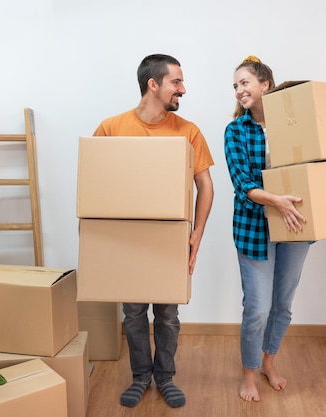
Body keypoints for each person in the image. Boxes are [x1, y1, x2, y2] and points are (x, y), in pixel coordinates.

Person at [93, 54, 214, 408]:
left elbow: (205, 186)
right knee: (132, 314)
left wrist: (197, 234)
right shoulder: (112, 128)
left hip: (169, 239)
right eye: (177, 82)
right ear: (154, 84)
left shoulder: (187, 131)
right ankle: (140, 376)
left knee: (167, 315)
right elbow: (95, 182)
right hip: (129, 239)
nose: (183, 89)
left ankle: (165, 377)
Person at [223, 56, 312, 402]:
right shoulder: (235, 131)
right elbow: (242, 183)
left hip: (296, 224)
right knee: (257, 307)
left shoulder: (293, 124)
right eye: (234, 86)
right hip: (254, 228)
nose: (239, 90)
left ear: (266, 85)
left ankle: (267, 363)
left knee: (283, 304)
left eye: (244, 82)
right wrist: (277, 200)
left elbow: (314, 166)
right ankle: (248, 373)